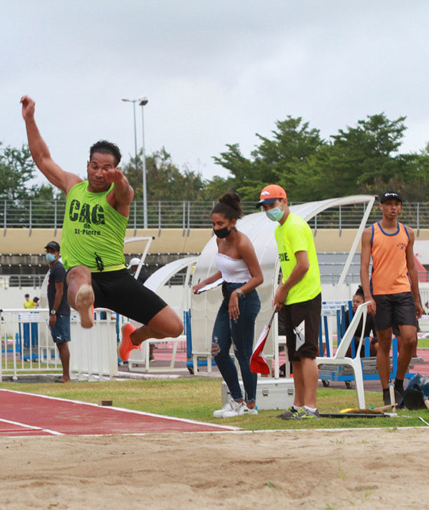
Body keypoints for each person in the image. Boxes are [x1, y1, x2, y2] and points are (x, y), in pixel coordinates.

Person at [21, 95, 182, 361]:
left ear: (115, 170)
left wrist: (119, 180)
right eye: (94, 167)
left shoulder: (116, 196)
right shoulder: (73, 186)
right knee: (78, 272)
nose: (98, 173)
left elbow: (126, 191)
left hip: (117, 278)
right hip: (83, 278)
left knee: (174, 327)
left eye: (106, 169)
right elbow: (42, 158)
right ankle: (86, 304)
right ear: (87, 165)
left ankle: (133, 338)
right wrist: (29, 119)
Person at [193, 192, 263, 418]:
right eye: (213, 224)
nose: (216, 228)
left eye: (220, 224)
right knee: (218, 349)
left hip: (245, 299)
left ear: (232, 222)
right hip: (229, 298)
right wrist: (205, 282)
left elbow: (258, 277)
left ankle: (250, 405)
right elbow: (225, 271)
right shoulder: (219, 241)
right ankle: (237, 399)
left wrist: (238, 293)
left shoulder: (243, 243)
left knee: (243, 352)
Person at [257, 185, 323, 420]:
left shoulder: (295, 226)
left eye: (272, 205)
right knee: (294, 355)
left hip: (306, 297)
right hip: (292, 298)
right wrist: (281, 290)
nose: (268, 210)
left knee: (306, 353)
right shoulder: (280, 230)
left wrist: (283, 289)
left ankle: (311, 408)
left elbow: (303, 265)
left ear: (284, 202)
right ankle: (298, 405)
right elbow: (289, 266)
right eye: (265, 207)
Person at [360, 191, 424, 405]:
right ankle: (386, 389)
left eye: (397, 204)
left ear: (401, 207)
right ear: (381, 207)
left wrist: (417, 299)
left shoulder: (407, 232)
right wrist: (368, 296)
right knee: (384, 343)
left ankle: (398, 382)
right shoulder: (370, 233)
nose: (393, 208)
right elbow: (364, 266)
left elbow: (412, 267)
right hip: (380, 294)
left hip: (403, 291)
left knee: (410, 338)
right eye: (388, 204)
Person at [44, 241, 72, 383]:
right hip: (57, 311)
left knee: (62, 343)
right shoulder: (53, 269)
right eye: (48, 251)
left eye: (52, 251)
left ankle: (66, 376)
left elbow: (59, 292)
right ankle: (65, 375)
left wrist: (54, 312)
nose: (49, 254)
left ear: (58, 253)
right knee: (59, 343)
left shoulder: (58, 269)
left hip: (60, 311)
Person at [348, 286, 377, 358]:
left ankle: (373, 362)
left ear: (364, 303)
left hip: (366, 343)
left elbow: (378, 336)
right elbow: (343, 335)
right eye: (353, 302)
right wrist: (358, 340)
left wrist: (371, 339)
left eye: (357, 302)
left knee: (377, 345)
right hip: (353, 342)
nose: (355, 304)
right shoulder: (347, 314)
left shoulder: (370, 315)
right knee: (347, 344)